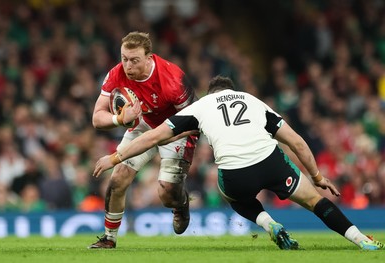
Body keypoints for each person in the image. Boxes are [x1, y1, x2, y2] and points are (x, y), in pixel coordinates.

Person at [93, 75, 384, 251]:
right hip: (271, 161)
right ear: (232, 90)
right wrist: (317, 175)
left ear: (212, 92)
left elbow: (153, 137)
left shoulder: (201, 106)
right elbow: (295, 141)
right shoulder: (252, 100)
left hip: (235, 173)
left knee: (233, 197)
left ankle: (269, 223)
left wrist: (115, 156)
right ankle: (362, 240)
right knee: (315, 201)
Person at [89, 32, 198, 249]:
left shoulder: (173, 79)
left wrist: (163, 135)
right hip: (144, 124)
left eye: (134, 60)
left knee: (167, 194)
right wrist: (119, 118)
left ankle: (181, 203)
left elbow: (195, 121)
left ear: (149, 58)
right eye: (124, 58)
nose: (127, 66)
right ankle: (109, 238)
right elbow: (97, 118)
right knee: (118, 178)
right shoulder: (116, 74)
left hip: (176, 128)